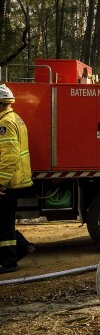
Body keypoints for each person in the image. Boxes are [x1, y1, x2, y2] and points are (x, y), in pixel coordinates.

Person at [0, 84, 34, 274]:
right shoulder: (14, 118)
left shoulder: (5, 123)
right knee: (5, 220)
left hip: (9, 182)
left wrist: (0, 182)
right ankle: (22, 247)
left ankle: (9, 261)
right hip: (14, 180)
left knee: (4, 223)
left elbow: (9, 156)